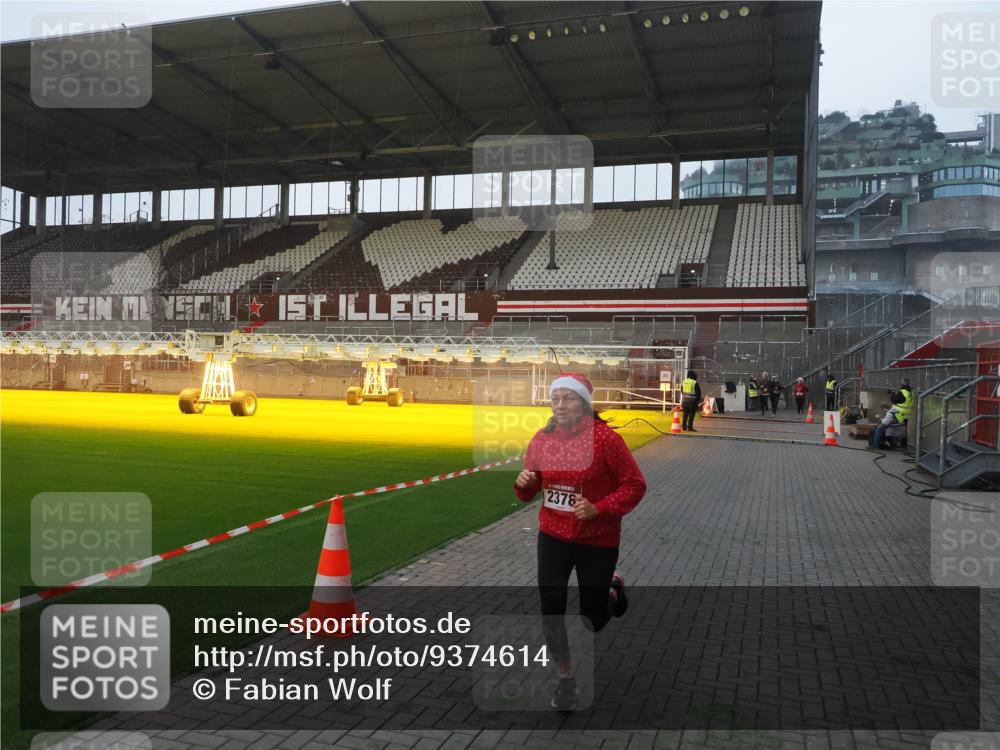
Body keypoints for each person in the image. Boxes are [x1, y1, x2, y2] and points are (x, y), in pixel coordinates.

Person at [513, 373, 646, 711]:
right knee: (551, 607)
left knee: (592, 620)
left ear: (584, 403)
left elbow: (634, 485)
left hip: (597, 539)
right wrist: (525, 482)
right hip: (553, 534)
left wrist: (598, 508)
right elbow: (529, 491)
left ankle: (614, 590)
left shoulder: (605, 440)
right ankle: (566, 679)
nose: (559, 404)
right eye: (555, 398)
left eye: (567, 398)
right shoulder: (542, 439)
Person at [870, 378, 914, 449]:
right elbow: (903, 401)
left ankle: (875, 445)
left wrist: (892, 395)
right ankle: (903, 445)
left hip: (896, 413)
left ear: (902, 384)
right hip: (906, 415)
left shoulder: (903, 391)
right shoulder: (911, 392)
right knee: (903, 430)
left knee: (881, 427)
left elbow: (894, 401)